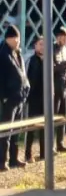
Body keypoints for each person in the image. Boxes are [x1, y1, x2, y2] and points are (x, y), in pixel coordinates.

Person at [0, 25, 29, 171]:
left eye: (18, 38)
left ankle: (14, 158)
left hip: (20, 96)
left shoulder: (17, 53)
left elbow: (22, 73)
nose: (18, 41)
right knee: (6, 131)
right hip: (9, 98)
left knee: (17, 129)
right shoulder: (3, 54)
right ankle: (2, 161)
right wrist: (3, 96)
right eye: (15, 38)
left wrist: (26, 87)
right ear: (8, 38)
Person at [52, 26, 66, 153]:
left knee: (63, 115)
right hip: (55, 85)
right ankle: (51, 144)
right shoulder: (52, 49)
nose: (65, 41)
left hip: (64, 84)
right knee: (54, 115)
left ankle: (60, 142)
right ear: (58, 38)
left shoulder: (65, 50)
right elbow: (52, 68)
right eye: (63, 38)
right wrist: (65, 64)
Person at [24, 37, 45, 161]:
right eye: (40, 44)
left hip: (45, 98)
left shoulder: (48, 60)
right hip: (33, 98)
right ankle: (28, 154)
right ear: (35, 46)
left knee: (44, 126)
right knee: (31, 127)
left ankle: (44, 153)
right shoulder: (31, 61)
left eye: (44, 44)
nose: (42, 47)